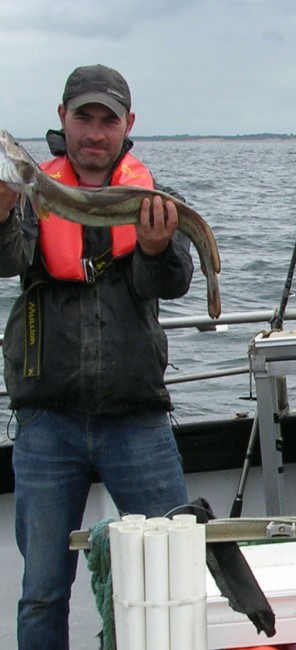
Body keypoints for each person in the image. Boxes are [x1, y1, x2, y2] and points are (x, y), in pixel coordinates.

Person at [0, 64, 193, 650]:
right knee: (41, 591)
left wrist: (157, 249)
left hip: (137, 419)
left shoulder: (156, 198)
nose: (93, 131)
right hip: (46, 424)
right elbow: (8, 261)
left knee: (173, 572)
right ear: (62, 119)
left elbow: (176, 280)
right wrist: (4, 213)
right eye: (82, 116)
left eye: (107, 119)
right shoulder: (32, 195)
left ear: (127, 125)